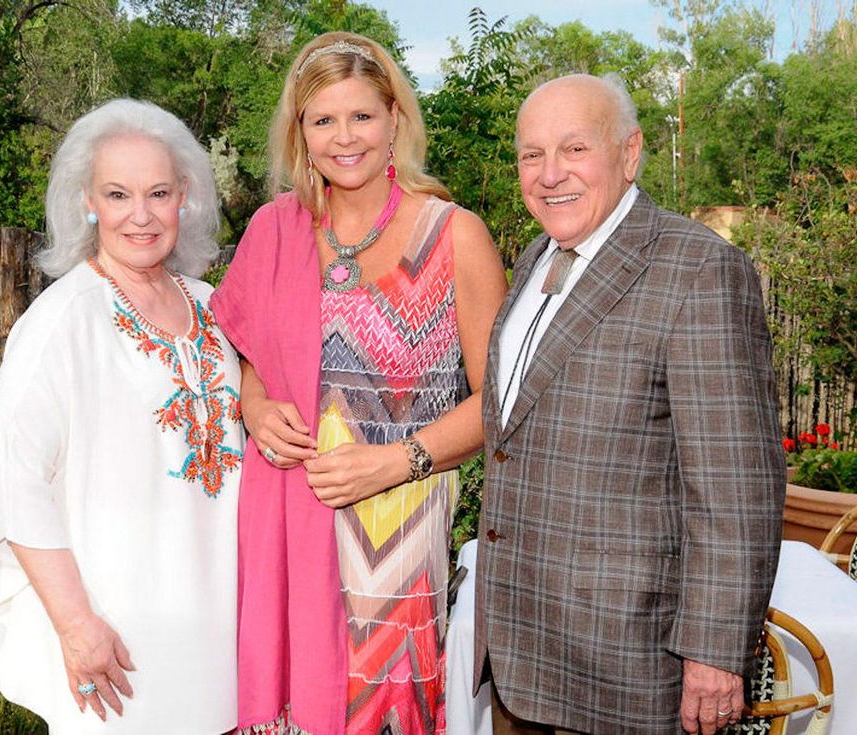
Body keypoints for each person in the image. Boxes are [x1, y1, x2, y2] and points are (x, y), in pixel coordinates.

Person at [210, 31, 507, 735]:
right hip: (287, 525)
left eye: (362, 116)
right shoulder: (273, 229)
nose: (344, 137)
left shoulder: (454, 235)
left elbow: (500, 403)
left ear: (394, 119)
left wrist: (395, 461)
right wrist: (254, 403)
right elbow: (248, 349)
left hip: (396, 536)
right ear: (301, 133)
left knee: (384, 708)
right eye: (324, 120)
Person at [474, 72, 786, 735]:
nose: (550, 174)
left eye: (574, 148)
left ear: (630, 152)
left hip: (629, 670)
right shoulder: (535, 259)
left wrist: (715, 652)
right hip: (524, 661)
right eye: (532, 154)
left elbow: (735, 486)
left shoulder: (698, 269)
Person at [0, 98, 242, 734]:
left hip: (217, 618)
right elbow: (17, 484)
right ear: (87, 201)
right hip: (117, 638)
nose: (141, 215)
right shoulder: (60, 321)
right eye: (118, 195)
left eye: (158, 193)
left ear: (185, 196)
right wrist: (75, 624)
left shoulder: (215, 309)